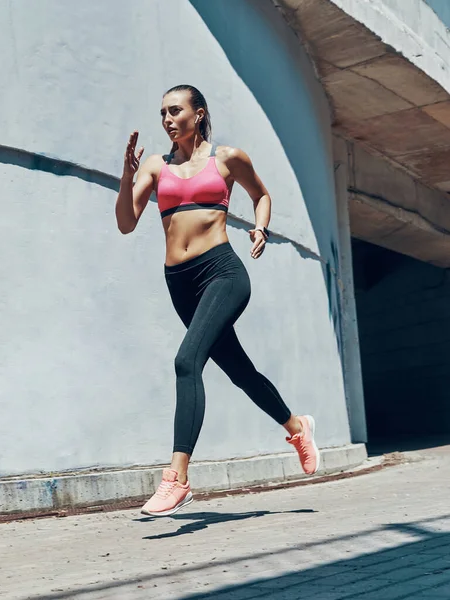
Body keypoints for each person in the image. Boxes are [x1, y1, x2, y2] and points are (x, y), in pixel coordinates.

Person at [115, 84, 319, 517]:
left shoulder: (227, 158)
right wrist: (127, 177)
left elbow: (261, 195)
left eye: (175, 111)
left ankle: (177, 478)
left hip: (223, 273)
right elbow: (126, 223)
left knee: (187, 361)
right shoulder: (155, 165)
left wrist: (260, 228)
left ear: (198, 113)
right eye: (162, 114)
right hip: (180, 282)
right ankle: (296, 427)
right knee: (239, 371)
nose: (167, 120)